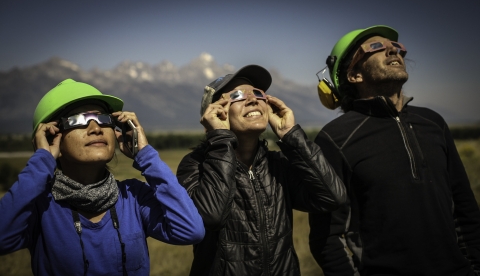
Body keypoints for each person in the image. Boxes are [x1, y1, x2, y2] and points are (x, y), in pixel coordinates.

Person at [309, 25, 480, 275]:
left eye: (397, 47)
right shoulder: (335, 138)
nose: (393, 50)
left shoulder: (433, 123)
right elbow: (328, 238)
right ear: (354, 74)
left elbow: (465, 209)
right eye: (376, 47)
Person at [0, 79, 205, 276]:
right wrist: (42, 161)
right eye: (78, 120)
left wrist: (145, 155)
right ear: (52, 137)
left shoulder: (133, 197)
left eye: (102, 118)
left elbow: (190, 230)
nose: (96, 128)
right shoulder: (39, 207)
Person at [176, 64, 346, 276]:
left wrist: (291, 136)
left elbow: (332, 198)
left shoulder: (279, 164)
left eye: (258, 93)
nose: (253, 99)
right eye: (237, 95)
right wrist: (219, 140)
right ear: (214, 114)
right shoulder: (195, 165)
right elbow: (212, 217)